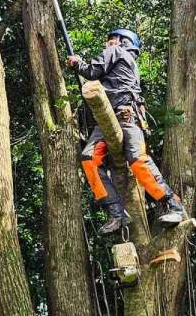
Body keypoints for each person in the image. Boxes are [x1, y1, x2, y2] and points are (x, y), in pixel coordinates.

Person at [67, 28, 187, 236]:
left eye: (111, 41)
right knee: (88, 158)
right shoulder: (125, 63)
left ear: (122, 42)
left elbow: (92, 71)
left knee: (138, 160)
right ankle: (116, 213)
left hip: (126, 116)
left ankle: (173, 204)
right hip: (107, 120)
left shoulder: (117, 52)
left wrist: (77, 62)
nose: (107, 45)